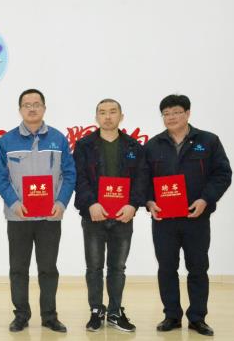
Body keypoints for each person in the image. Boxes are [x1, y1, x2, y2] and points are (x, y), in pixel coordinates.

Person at [145, 94, 231, 336]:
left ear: (188, 113)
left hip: (196, 218)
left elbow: (222, 174)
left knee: (198, 268)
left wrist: (205, 199)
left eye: (176, 112)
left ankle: (197, 318)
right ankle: (171, 316)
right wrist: (149, 202)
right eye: (166, 114)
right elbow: (143, 179)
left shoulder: (208, 141)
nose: (171, 117)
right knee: (166, 268)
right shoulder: (153, 145)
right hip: (164, 220)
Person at [0, 88, 76, 333]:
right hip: (18, 216)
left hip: (49, 217)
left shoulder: (58, 139)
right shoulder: (6, 141)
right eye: (27, 105)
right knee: (18, 269)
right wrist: (14, 203)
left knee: (48, 269)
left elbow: (69, 174)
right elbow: (1, 178)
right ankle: (21, 315)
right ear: (20, 109)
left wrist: (61, 203)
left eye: (36, 104)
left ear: (44, 108)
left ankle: (49, 316)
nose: (32, 108)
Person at [73, 98, 148, 332]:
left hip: (123, 217)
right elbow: (79, 177)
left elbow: (142, 179)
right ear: (96, 117)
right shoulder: (84, 145)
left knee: (118, 267)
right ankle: (96, 310)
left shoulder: (134, 146)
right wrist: (91, 203)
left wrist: (133, 205)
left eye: (113, 112)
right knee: (94, 267)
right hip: (94, 216)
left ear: (121, 117)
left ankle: (115, 311)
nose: (107, 116)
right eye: (102, 112)